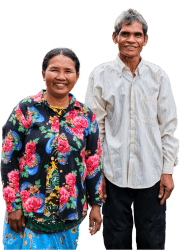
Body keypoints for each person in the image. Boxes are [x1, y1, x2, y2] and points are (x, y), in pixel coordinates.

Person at [84, 8, 179, 250]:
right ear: (114, 36)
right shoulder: (100, 75)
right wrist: (98, 176)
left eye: (137, 35)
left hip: (152, 173)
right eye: (125, 33)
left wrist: (167, 170)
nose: (131, 40)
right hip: (113, 174)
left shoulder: (158, 77)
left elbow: (167, 127)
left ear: (146, 40)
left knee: (153, 239)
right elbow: (95, 130)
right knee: (116, 240)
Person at [1, 47, 102, 250]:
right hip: (28, 214)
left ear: (77, 76)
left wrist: (96, 206)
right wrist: (13, 206)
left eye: (68, 71)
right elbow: (8, 158)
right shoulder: (26, 109)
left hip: (69, 213)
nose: (61, 77)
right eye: (54, 70)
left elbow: (93, 163)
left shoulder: (86, 116)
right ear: (43, 73)